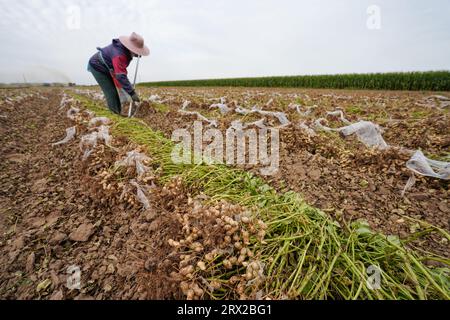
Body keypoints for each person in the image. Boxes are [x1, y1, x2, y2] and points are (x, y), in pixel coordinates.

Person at [87, 32, 150, 115]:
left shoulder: (125, 51)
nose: (137, 53)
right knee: (111, 92)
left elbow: (121, 72)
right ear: (131, 48)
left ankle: (120, 111)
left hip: (109, 68)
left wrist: (126, 89)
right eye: (136, 51)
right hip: (98, 67)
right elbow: (120, 76)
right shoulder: (119, 55)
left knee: (121, 88)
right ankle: (114, 115)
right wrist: (132, 92)